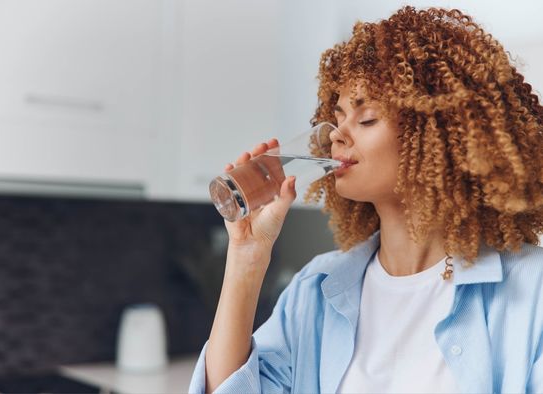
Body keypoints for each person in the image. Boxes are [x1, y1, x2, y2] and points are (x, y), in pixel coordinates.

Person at [190, 6, 543, 393]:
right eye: (338, 116)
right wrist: (246, 257)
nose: (337, 136)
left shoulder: (532, 289)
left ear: (439, 135)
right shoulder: (316, 290)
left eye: (367, 119)